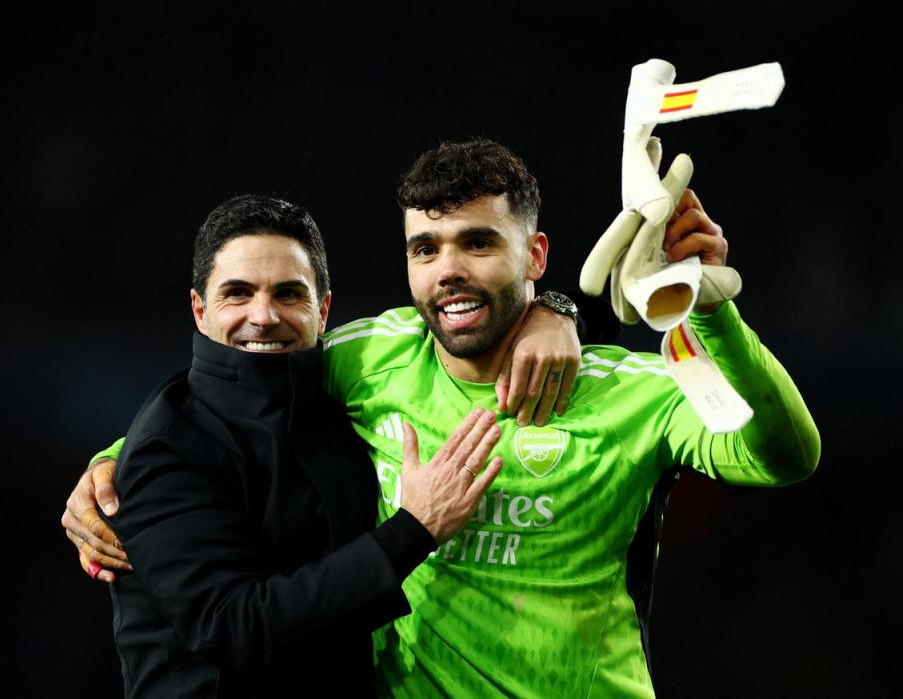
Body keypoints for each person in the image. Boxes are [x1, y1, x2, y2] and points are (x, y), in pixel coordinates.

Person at [68, 140, 819, 698]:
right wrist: (112, 461)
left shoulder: (636, 391)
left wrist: (712, 314)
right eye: (424, 247)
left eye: (478, 242)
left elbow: (787, 454)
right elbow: (233, 400)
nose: (447, 269)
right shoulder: (370, 358)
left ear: (536, 255)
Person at [98, 193, 508, 697]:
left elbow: (481, 328)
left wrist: (559, 315)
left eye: (289, 294)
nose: (264, 315)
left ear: (324, 309)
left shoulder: (340, 399)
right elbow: (234, 625)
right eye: (238, 293)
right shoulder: (166, 449)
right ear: (199, 310)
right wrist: (414, 530)